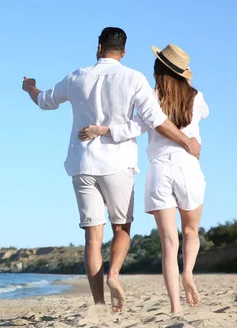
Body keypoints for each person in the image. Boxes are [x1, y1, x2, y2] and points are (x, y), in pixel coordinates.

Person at [21, 28, 201, 312]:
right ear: (124, 52)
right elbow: (155, 119)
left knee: (92, 237)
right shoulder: (134, 78)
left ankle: (99, 305)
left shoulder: (76, 77)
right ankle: (114, 274)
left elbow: (45, 101)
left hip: (82, 164)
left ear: (98, 47)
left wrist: (30, 87)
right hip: (118, 164)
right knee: (122, 228)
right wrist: (187, 142)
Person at [78, 44, 208, 314]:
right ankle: (189, 272)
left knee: (168, 243)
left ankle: (175, 308)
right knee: (190, 232)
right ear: (182, 72)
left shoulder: (153, 97)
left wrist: (101, 130)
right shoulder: (197, 97)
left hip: (160, 172)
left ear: (158, 70)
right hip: (189, 169)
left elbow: (133, 128)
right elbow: (203, 114)